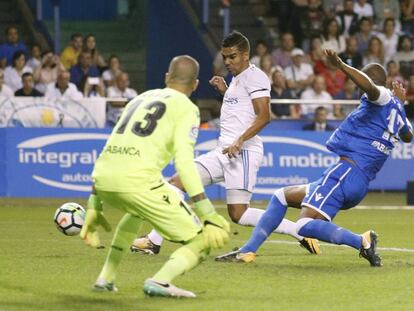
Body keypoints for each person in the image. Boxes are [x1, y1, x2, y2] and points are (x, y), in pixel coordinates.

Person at [215, 49, 413, 266]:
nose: (359, 89)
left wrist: (341, 66)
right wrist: (400, 106)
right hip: (355, 180)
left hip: (345, 173)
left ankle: (361, 241)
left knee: (302, 226)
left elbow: (370, 87)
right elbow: (407, 136)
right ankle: (247, 251)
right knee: (281, 196)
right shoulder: (397, 111)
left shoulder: (381, 96)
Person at [131, 31, 320, 256]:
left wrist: (240, 141)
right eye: (225, 57)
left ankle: (299, 231)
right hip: (223, 151)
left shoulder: (255, 77)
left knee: (239, 214)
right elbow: (241, 109)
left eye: (232, 57)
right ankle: (154, 241)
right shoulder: (236, 79)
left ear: (246, 55)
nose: (227, 62)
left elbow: (264, 116)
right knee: (176, 183)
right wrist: (225, 91)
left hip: (244, 152)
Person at [80, 55, 230, 298]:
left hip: (104, 180)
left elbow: (109, 149)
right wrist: (207, 213)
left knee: (136, 213)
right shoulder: (187, 109)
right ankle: (160, 281)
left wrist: (93, 204)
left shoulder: (138, 99)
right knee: (204, 240)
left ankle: (105, 278)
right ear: (195, 85)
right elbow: (184, 163)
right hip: (139, 183)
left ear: (166, 78)